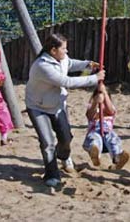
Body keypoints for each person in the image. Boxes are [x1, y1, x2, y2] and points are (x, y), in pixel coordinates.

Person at [26, 33, 104, 189]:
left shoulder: (60, 59)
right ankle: (52, 175)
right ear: (53, 50)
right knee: (47, 142)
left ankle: (63, 156)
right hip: (37, 107)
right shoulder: (43, 66)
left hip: (57, 105)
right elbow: (66, 81)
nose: (66, 52)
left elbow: (70, 64)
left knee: (66, 137)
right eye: (64, 49)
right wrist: (94, 78)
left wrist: (87, 64)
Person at [83, 84, 130, 169]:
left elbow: (110, 111)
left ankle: (117, 158)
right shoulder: (92, 107)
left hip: (107, 132)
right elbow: (90, 115)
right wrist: (96, 102)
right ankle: (95, 154)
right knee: (94, 139)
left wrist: (104, 93)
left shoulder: (110, 108)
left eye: (105, 98)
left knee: (113, 139)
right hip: (95, 132)